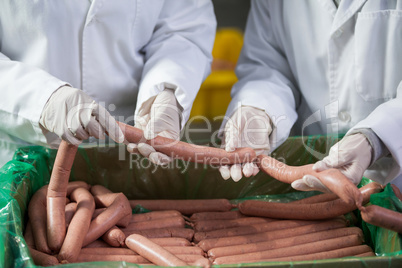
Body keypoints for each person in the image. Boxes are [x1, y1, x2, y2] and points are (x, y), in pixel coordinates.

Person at [0, 0, 216, 167]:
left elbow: (184, 28)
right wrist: (43, 99)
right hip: (23, 146)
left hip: (134, 149)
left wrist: (165, 90)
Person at [219, 0, 402, 191]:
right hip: (309, 181)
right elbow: (269, 65)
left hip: (396, 181)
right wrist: (257, 107)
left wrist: (378, 137)